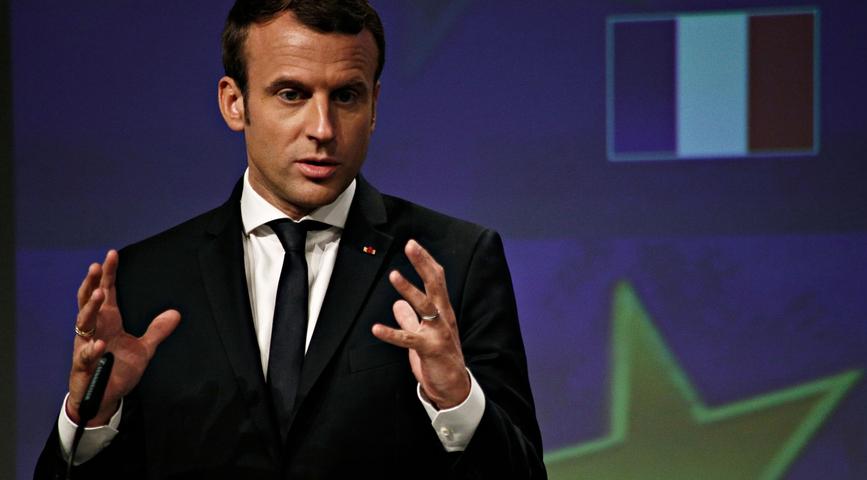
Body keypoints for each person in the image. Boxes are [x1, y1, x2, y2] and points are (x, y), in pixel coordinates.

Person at [35, 1, 545, 478]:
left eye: (346, 96)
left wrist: (457, 400)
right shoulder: (145, 278)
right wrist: (91, 415)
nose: (323, 128)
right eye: (291, 94)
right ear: (234, 103)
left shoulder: (455, 262)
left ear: (373, 105)